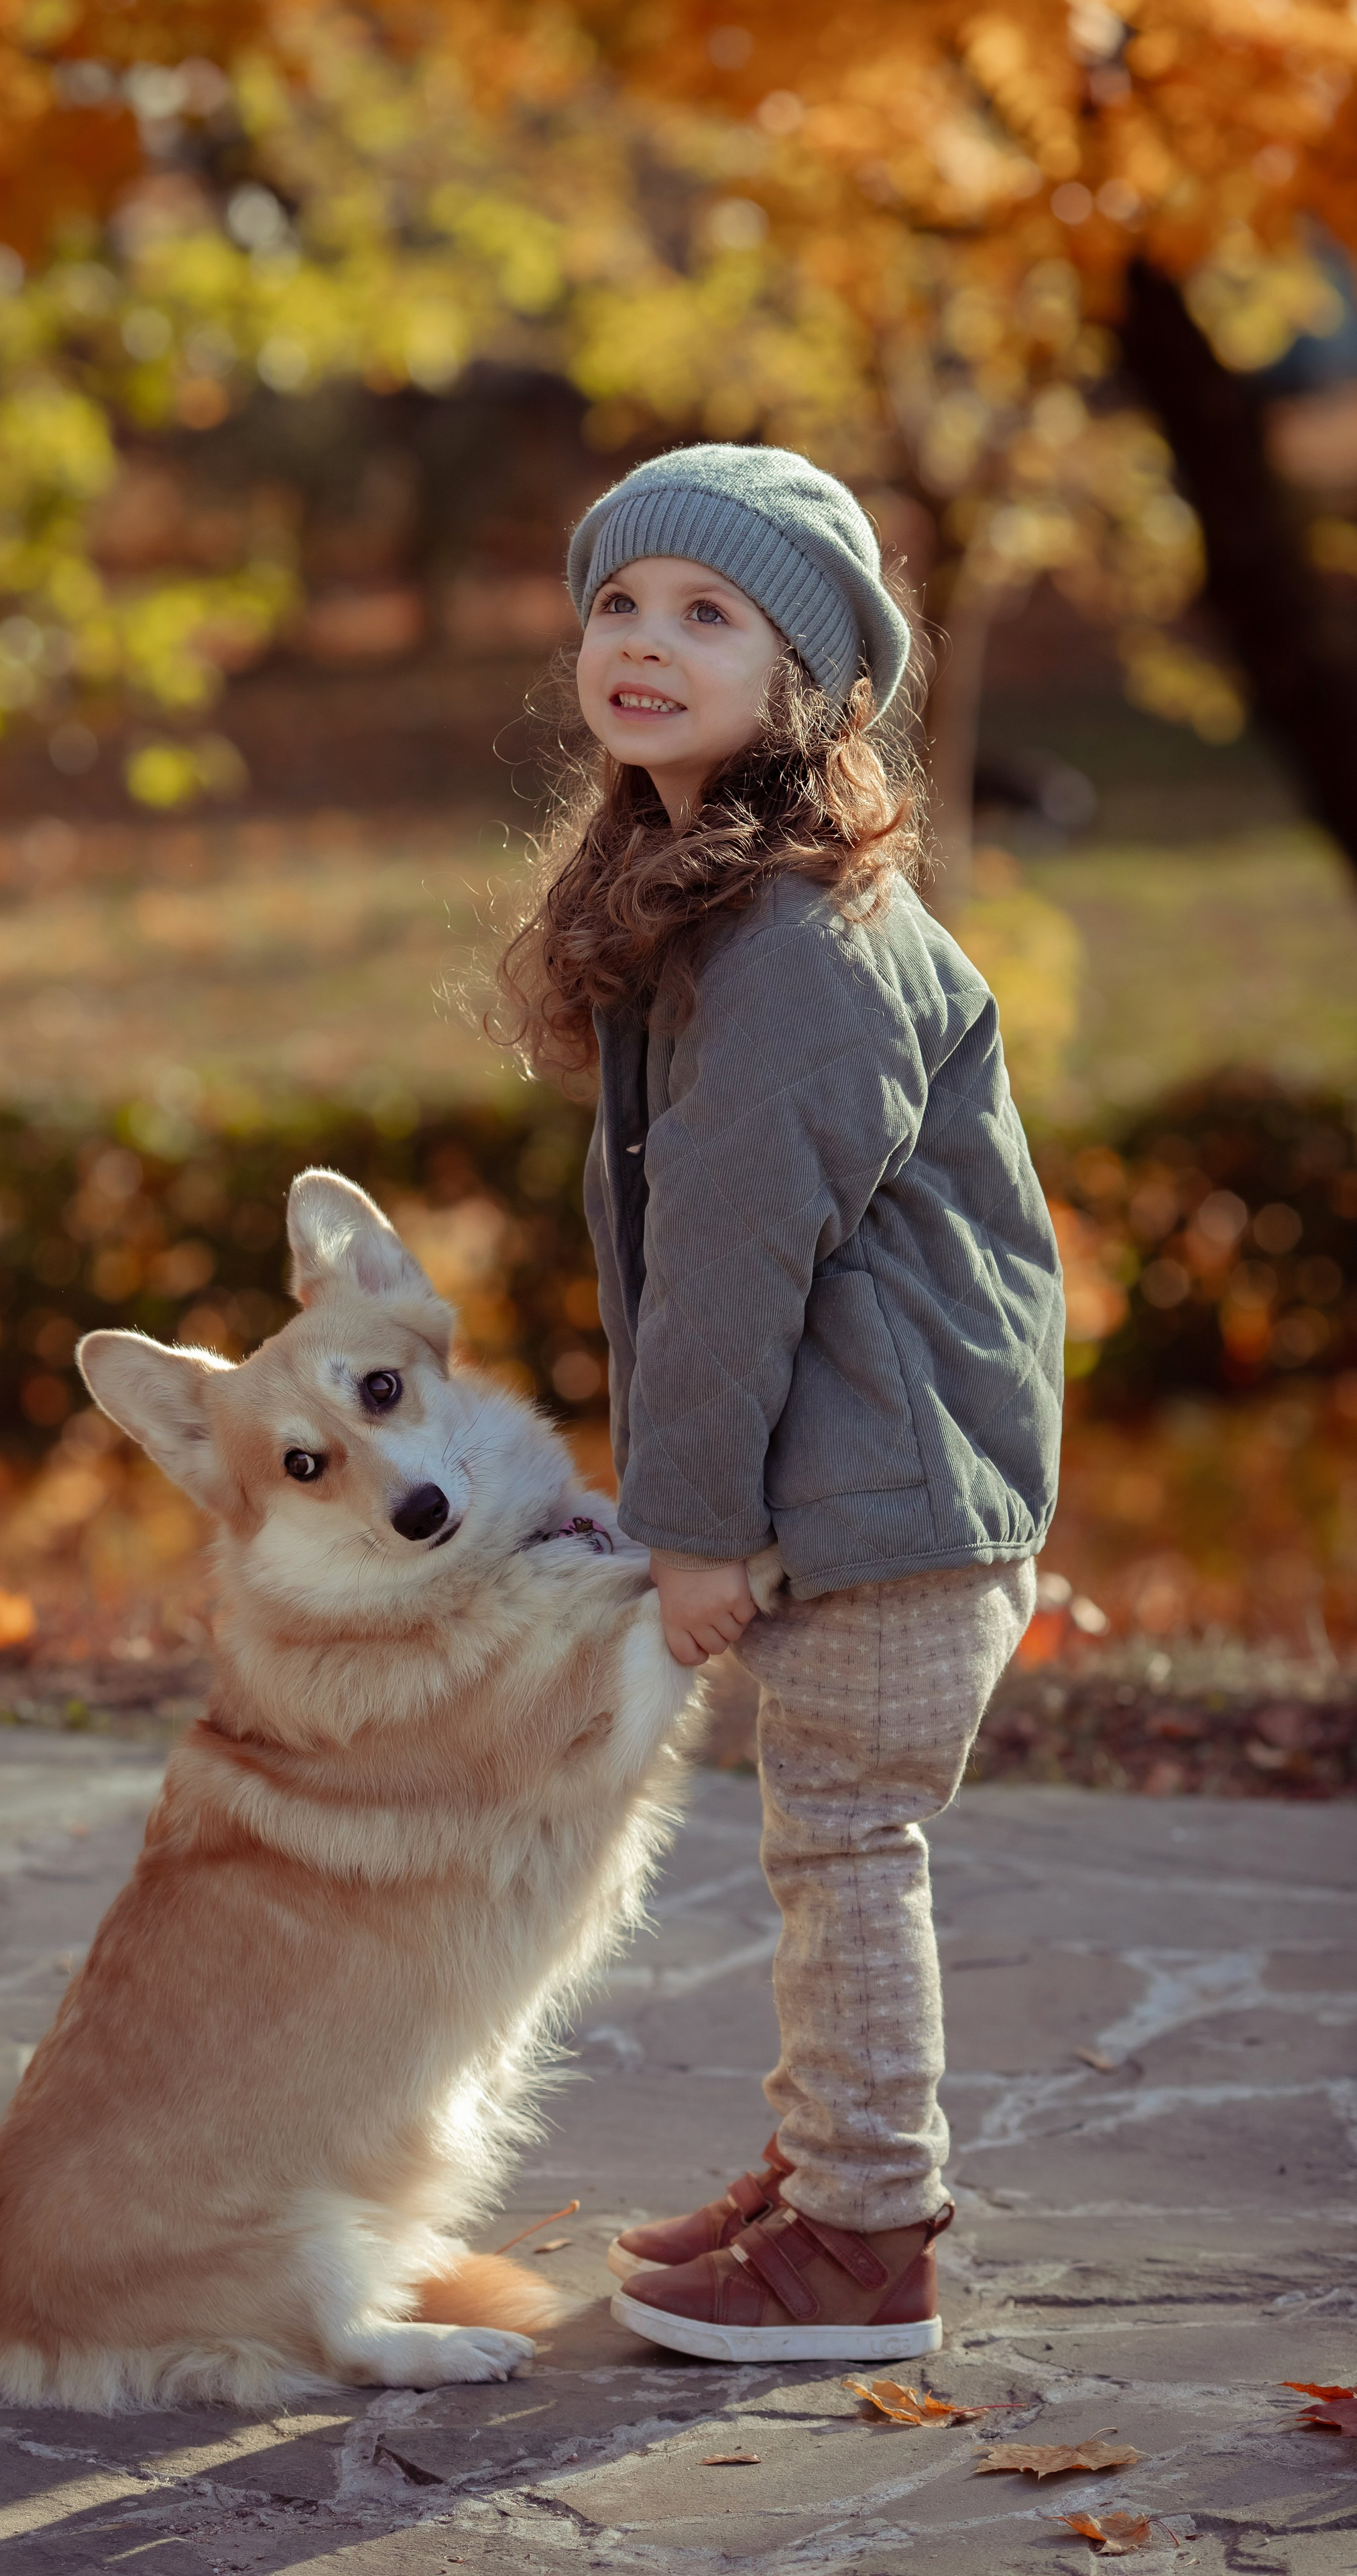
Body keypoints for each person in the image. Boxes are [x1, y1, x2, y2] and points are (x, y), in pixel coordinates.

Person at [490, 443, 1064, 2363]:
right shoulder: (715, 907)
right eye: (621, 602)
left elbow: (738, 1272)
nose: (644, 640)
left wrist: (695, 1524)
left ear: (800, 687)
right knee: (827, 1845)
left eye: (707, 613)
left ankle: (867, 2231)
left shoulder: (800, 949)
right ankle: (830, 2165)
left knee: (841, 1850)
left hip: (883, 1497)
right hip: (865, 1477)